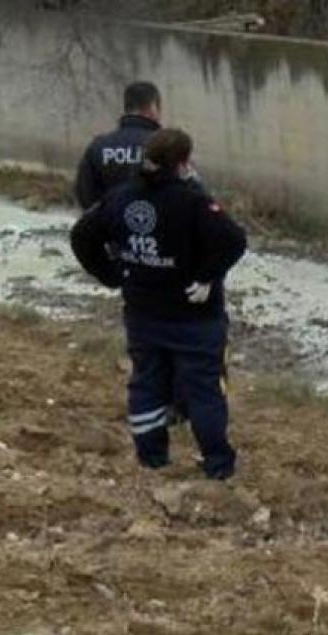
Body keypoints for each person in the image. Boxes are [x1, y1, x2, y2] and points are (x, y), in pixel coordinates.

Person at [69, 129, 247, 479]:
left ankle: (152, 458)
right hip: (194, 317)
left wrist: (112, 273)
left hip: (143, 312)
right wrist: (207, 276)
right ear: (183, 162)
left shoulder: (120, 198)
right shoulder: (191, 200)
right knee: (204, 389)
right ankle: (217, 464)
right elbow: (233, 240)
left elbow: (81, 235)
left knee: (147, 383)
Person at [75, 82, 164, 210]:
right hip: (157, 226)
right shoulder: (167, 148)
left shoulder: (99, 146)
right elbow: (187, 193)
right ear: (153, 106)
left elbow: (85, 194)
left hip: (109, 226)